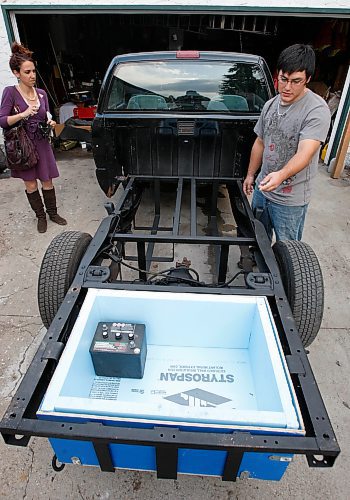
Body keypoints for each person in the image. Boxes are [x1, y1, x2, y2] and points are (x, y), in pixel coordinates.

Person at [243, 44, 331, 241]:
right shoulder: (270, 105)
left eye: (296, 81)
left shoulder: (316, 110)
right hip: (263, 189)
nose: (287, 87)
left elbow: (305, 153)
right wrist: (250, 175)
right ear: (278, 75)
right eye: (283, 79)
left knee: (289, 251)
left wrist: (281, 176)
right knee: (257, 239)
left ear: (308, 79)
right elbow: (260, 142)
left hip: (290, 198)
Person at [0, 42, 67, 233]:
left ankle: (53, 213)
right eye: (27, 72)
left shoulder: (42, 94)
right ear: (16, 73)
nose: (32, 76)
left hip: (41, 142)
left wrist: (50, 123)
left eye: (34, 71)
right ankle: (40, 217)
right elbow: (2, 120)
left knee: (47, 181)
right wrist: (24, 113)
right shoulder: (10, 93)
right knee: (30, 183)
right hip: (23, 144)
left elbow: (46, 116)